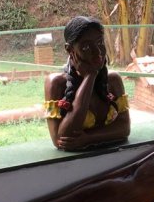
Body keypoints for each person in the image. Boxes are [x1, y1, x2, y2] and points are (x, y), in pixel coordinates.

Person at [44, 16, 130, 151]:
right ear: (69, 50)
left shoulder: (113, 80)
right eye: (86, 47)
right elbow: (62, 139)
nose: (97, 52)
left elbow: (124, 128)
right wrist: (90, 76)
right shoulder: (56, 83)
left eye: (100, 42)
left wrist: (88, 138)